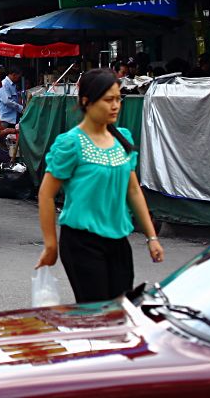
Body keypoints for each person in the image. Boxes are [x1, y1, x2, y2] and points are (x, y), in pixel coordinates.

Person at [36, 68, 164, 303]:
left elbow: (133, 190)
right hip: (81, 243)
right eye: (108, 100)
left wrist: (151, 237)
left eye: (118, 99)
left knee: (120, 313)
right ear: (87, 102)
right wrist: (50, 245)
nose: (115, 105)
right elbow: (46, 194)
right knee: (96, 314)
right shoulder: (70, 143)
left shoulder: (122, 139)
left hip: (118, 242)